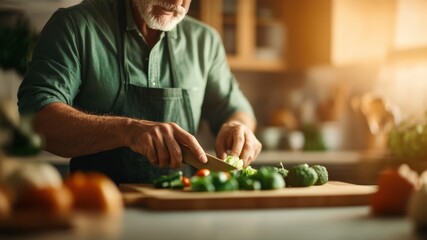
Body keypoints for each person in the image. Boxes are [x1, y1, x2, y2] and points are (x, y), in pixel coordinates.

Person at [17, 0, 262, 184]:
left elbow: (237, 110)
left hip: (182, 213)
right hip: (96, 208)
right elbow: (37, 119)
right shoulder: (75, 26)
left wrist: (238, 127)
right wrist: (128, 130)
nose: (176, 2)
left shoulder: (205, 41)